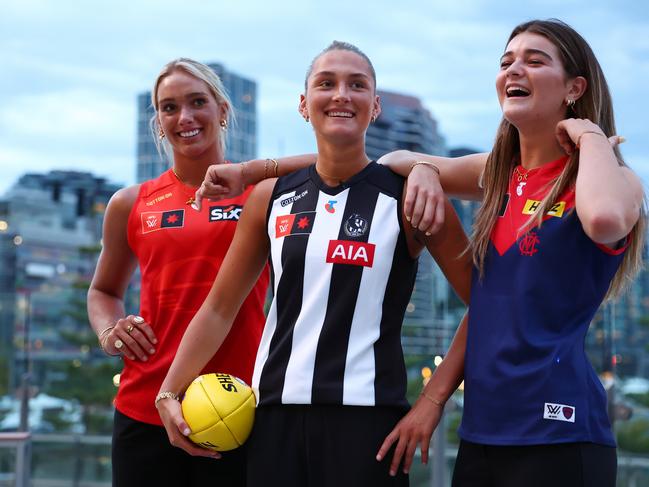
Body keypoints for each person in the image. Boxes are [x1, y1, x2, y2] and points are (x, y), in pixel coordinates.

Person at [155, 41, 472, 486]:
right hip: (272, 423)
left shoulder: (409, 196)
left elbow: (486, 302)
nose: (341, 94)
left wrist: (432, 402)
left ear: (374, 106)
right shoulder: (270, 196)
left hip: (371, 427)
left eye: (356, 85)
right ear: (304, 105)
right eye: (326, 84)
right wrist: (168, 391)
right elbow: (219, 308)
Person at [374, 19, 645, 487]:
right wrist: (422, 169)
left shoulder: (615, 180)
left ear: (574, 88)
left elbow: (604, 219)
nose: (514, 69)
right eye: (506, 62)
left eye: (534, 61)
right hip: (483, 432)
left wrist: (592, 137)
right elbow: (386, 163)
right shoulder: (499, 175)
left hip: (561, 433)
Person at [87, 58, 317, 486]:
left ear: (223, 110)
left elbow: (334, 161)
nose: (185, 117)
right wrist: (109, 331)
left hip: (238, 405)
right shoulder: (130, 203)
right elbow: (103, 290)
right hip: (146, 402)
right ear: (157, 121)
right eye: (169, 107)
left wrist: (249, 171)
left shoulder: (260, 193)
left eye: (198, 102)